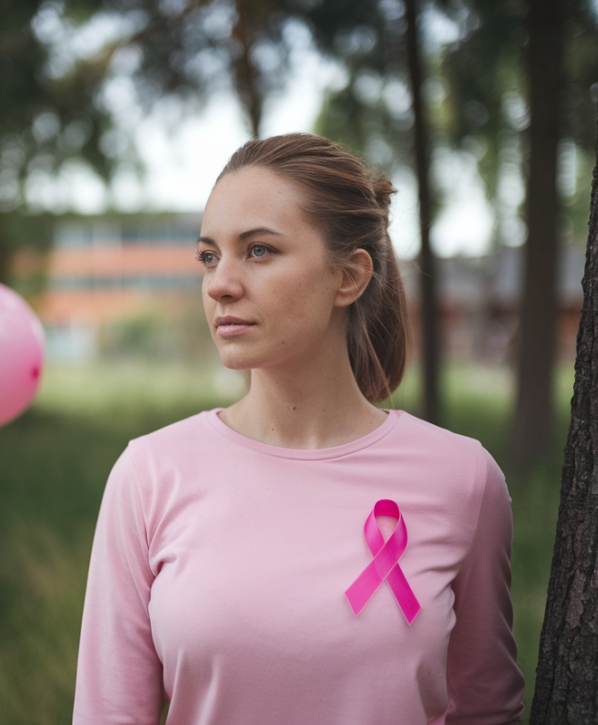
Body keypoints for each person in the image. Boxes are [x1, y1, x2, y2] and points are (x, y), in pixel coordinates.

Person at [72, 133, 525, 724]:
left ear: (349, 277)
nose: (220, 284)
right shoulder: (149, 475)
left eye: (258, 251)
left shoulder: (462, 480)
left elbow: (486, 712)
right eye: (210, 256)